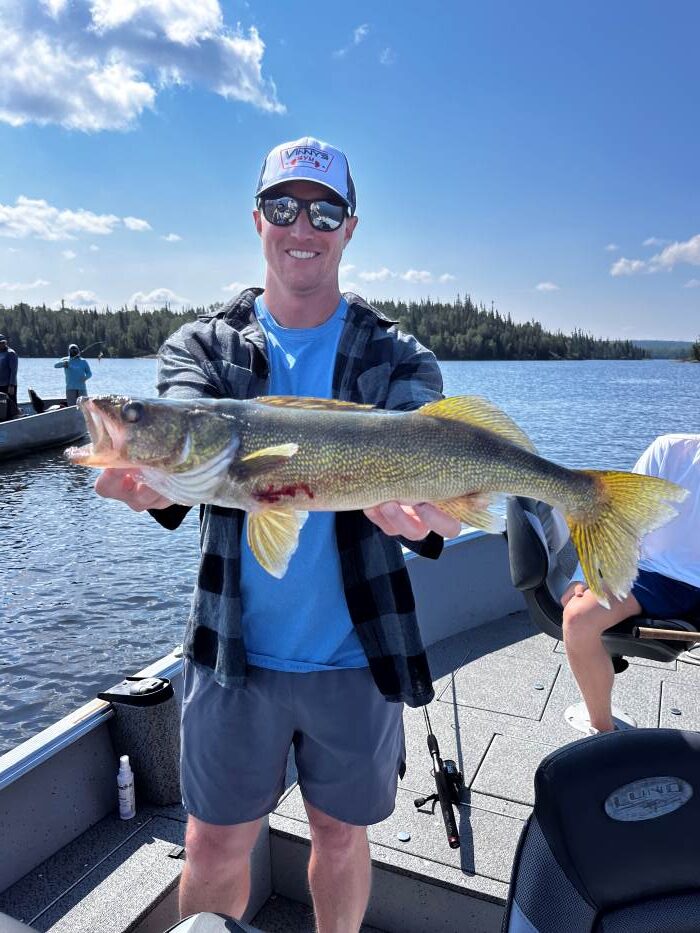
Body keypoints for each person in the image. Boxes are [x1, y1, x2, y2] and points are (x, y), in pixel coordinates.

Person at [92, 136, 465, 932]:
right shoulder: (202, 347)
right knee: (214, 840)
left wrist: (430, 517)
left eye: (325, 209)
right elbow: (182, 464)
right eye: (285, 206)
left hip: (357, 653)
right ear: (257, 219)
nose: (305, 224)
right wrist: (147, 473)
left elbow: (427, 502)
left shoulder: (399, 353)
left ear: (350, 227)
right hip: (232, 655)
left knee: (340, 833)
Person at [561, 433, 700, 733]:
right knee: (577, 618)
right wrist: (581, 577)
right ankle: (604, 732)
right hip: (654, 575)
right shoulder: (668, 451)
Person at [0, 333, 20, 420]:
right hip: (0, 384)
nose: (1, 344)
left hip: (8, 385)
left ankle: (14, 419)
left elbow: (13, 371)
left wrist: (11, 385)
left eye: (3, 342)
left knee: (11, 404)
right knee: (2, 405)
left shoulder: (11, 353)